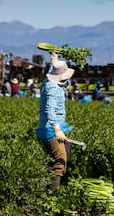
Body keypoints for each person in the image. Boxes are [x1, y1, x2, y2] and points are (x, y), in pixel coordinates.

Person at [36, 52, 75, 190]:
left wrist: (54, 60)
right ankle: (51, 194)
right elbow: (50, 110)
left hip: (52, 127)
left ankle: (54, 183)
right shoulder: (53, 89)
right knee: (61, 160)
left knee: (67, 149)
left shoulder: (48, 82)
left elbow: (50, 73)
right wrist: (57, 130)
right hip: (50, 129)